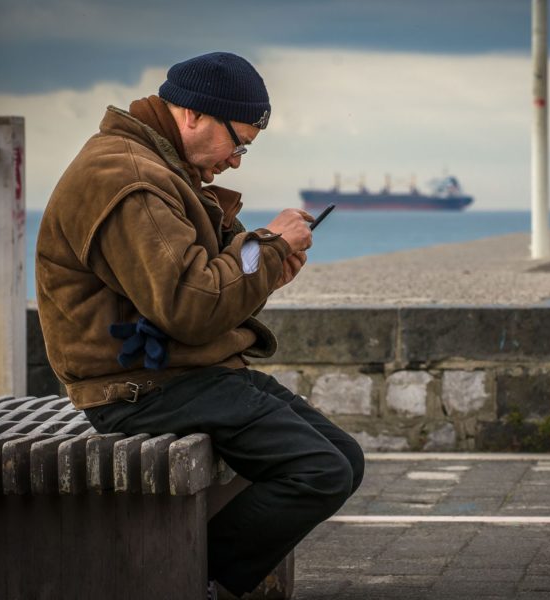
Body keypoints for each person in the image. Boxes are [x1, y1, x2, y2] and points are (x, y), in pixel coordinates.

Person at [35, 52, 364, 598]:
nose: (236, 161)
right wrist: (270, 248)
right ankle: (178, 579)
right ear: (193, 115)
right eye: (238, 143)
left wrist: (269, 265)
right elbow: (191, 304)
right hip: (140, 387)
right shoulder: (130, 178)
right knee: (318, 472)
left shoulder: (157, 166)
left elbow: (206, 286)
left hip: (187, 370)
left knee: (344, 460)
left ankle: (190, 573)